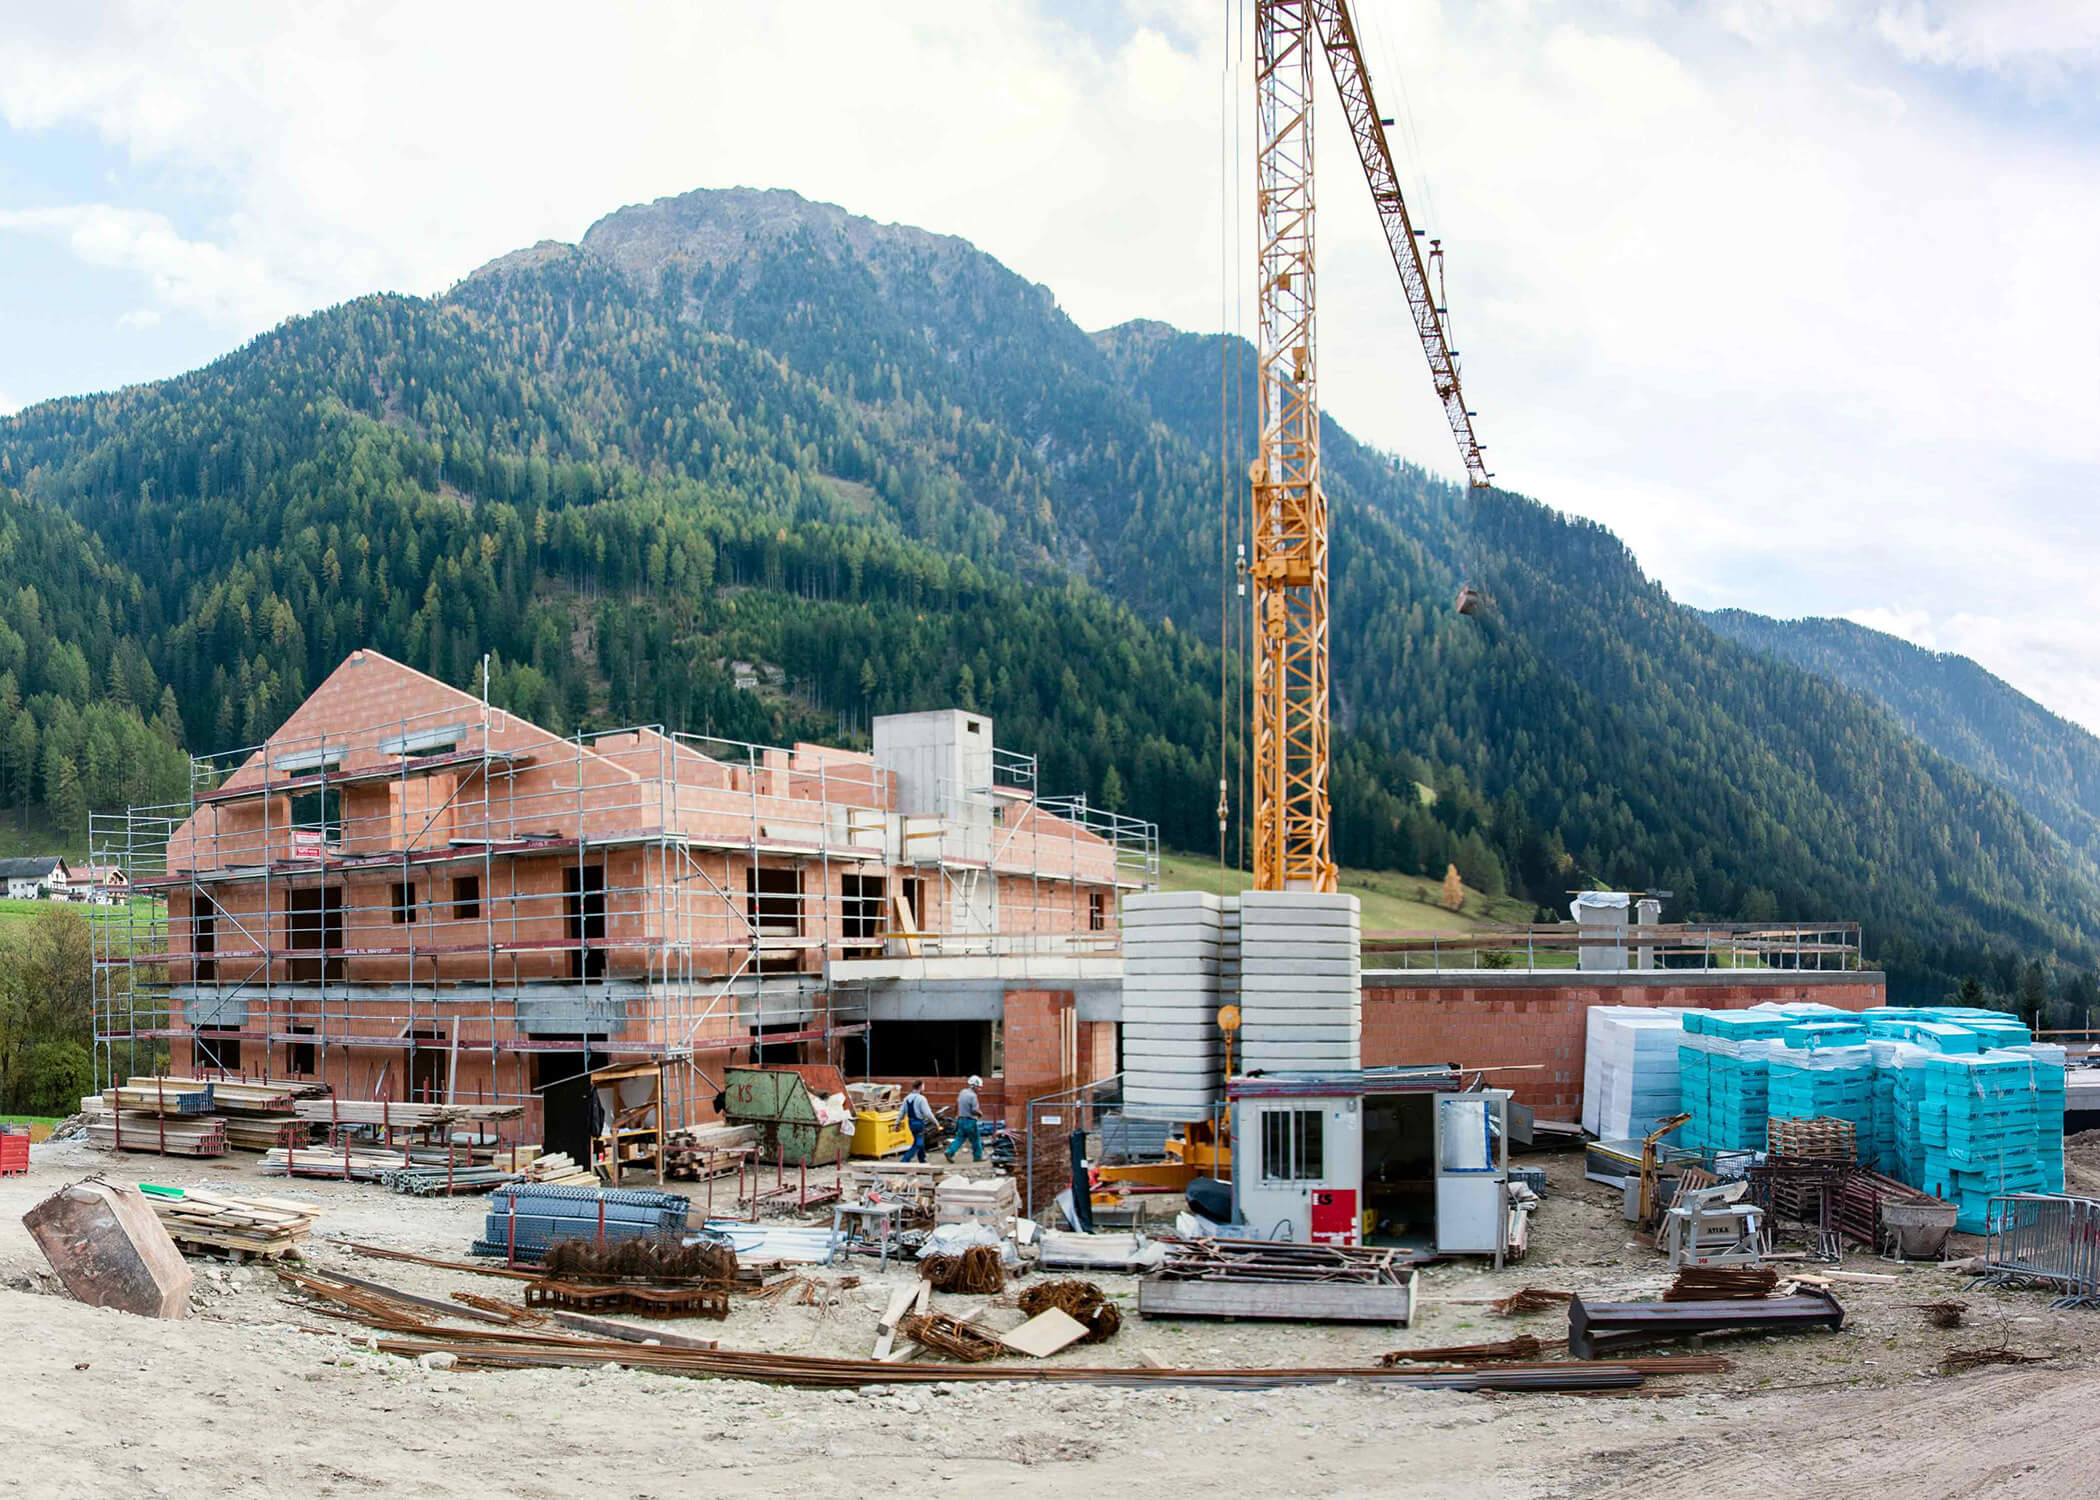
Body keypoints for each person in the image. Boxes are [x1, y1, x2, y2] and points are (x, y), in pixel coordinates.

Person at [946, 1075, 985, 1162]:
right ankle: (977, 1157)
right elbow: (974, 1110)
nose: (980, 1089)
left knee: (959, 1138)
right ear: (974, 1086)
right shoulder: (973, 1096)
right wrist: (980, 1113)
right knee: (975, 1139)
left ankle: (949, 1151)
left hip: (961, 1119)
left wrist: (956, 1116)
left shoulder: (962, 1092)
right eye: (979, 1087)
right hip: (970, 1121)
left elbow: (957, 1103)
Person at [901, 1079, 935, 1162]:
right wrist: (936, 1122)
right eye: (923, 1086)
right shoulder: (921, 1098)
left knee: (918, 1140)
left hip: (911, 1123)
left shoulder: (906, 1098)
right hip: (919, 1123)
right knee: (918, 1144)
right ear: (920, 1087)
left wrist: (897, 1123)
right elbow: (928, 1113)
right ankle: (904, 1160)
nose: (924, 1087)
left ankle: (922, 1160)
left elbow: (902, 1112)